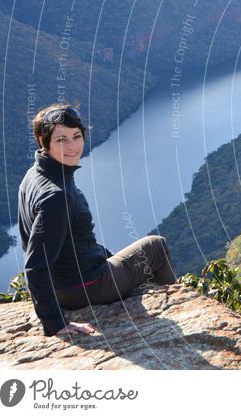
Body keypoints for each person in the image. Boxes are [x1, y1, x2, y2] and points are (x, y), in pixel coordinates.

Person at [18, 103, 177, 337]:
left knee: (123, 257)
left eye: (77, 136)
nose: (72, 147)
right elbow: (35, 265)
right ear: (44, 142)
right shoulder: (57, 196)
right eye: (61, 140)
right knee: (156, 246)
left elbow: (68, 242)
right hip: (86, 287)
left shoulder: (35, 174)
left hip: (66, 285)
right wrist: (56, 324)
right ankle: (177, 302)